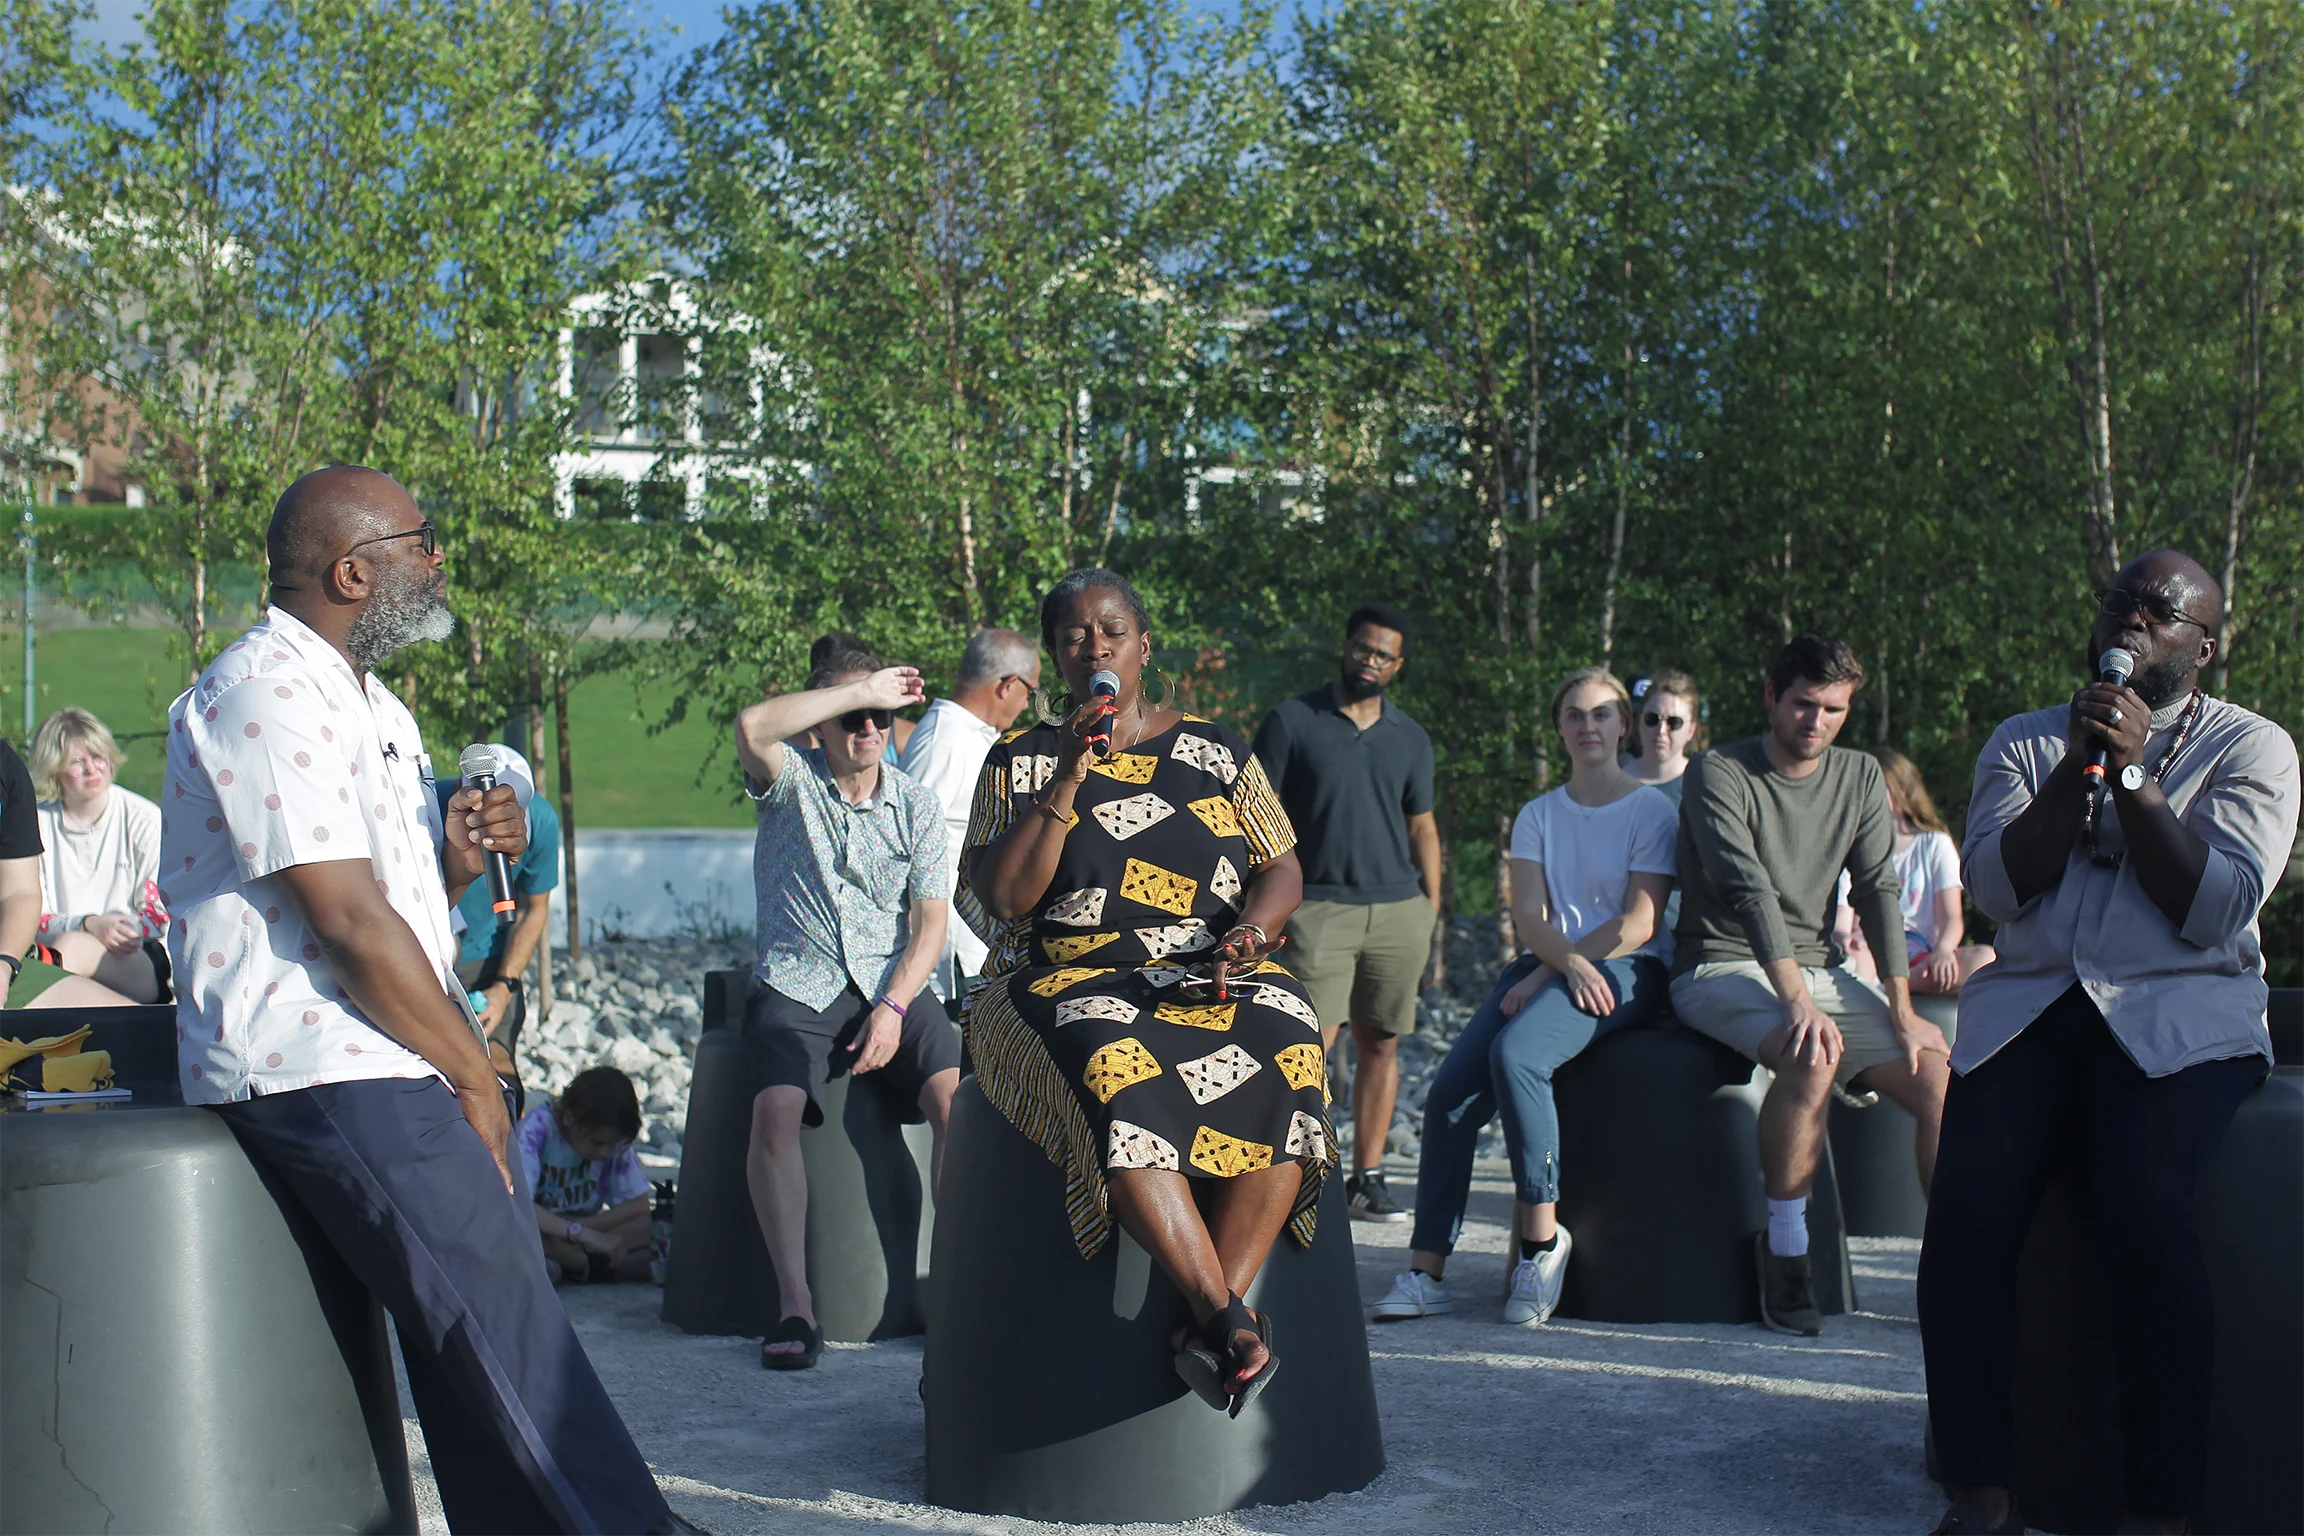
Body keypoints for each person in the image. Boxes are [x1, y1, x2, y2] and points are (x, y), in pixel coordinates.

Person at [160, 465, 708, 1536]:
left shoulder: (371, 703)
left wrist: (454, 865)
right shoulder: (261, 689)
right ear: (355, 570)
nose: (440, 555)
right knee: (500, 1316)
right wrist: (472, 1069)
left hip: (400, 1046)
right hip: (324, 1063)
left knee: (475, 1335)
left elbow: (397, 904)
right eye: (423, 538)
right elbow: (346, 923)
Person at [1920, 551, 2300, 1536]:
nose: (2130, 622)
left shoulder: (2255, 749)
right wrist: (2083, 767)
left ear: (2204, 644)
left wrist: (2134, 775)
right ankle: (1979, 1488)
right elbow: (2001, 893)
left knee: (2146, 1216)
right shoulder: (2026, 741)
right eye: (2119, 605)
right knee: (1964, 1216)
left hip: (2180, 1019)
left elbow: (2215, 909)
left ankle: (2160, 1507)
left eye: (2159, 613)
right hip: (2037, 1013)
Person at [962, 567, 1336, 1416]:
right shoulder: (1019, 762)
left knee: (1288, 1042)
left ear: (1143, 646)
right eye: (1073, 636)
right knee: (1118, 1071)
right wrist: (1067, 776)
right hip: (1069, 974)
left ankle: (1218, 1324)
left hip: (1210, 963)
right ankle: (1229, 1321)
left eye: (1112, 631)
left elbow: (1280, 865)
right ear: (1056, 656)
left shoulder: (1218, 750)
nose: (1094, 646)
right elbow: (1009, 900)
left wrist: (1249, 935)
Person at [1372, 667, 1677, 1327]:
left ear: (1624, 724)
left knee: (1517, 1056)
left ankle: (1541, 1244)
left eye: (1602, 714)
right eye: (1574, 715)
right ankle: (1428, 1272)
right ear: (1560, 727)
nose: (1588, 726)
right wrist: (1553, 965)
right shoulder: (1539, 814)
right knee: (1451, 1094)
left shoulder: (1652, 809)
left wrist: (1557, 970)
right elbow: (1533, 919)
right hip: (1552, 962)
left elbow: (1639, 922)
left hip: (1628, 969)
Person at [1668, 633, 1949, 1337]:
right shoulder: (1717, 772)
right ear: (1772, 697)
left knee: (1941, 1078)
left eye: (1833, 709)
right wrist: (1795, 1001)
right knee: (1810, 1051)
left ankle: (1954, 1266)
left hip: (1821, 969)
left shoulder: (1857, 777)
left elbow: (1881, 889)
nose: (1815, 722)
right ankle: (1786, 1251)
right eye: (1803, 704)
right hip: (1721, 962)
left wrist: (1902, 1008)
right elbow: (1747, 888)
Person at [732, 645, 961, 1371]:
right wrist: (855, 688)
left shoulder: (915, 804)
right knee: (773, 1114)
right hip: (799, 980)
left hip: (890, 981)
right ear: (821, 726)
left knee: (959, 1105)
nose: (868, 727)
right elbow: (751, 727)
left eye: (879, 715)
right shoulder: (790, 782)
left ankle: (954, 1290)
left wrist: (895, 1006)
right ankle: (796, 1305)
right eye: (851, 715)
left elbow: (931, 923)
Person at [1251, 603, 1441, 1222]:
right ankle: (1301, 1172)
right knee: (1308, 1044)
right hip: (1317, 908)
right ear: (1347, 646)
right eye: (1362, 648)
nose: (1370, 660)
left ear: (1398, 665)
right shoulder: (1292, 721)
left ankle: (1370, 1174)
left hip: (1396, 911)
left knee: (1381, 1045)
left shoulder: (1410, 737)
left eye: (1383, 654)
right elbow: (1254, 811)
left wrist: (1430, 910)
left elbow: (1423, 826)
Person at [898, 627, 1041, 1002]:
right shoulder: (944, 743)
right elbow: (906, 844)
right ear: (1008, 685)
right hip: (950, 949)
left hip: (971, 945)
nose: (1027, 704)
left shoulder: (967, 737)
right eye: (1031, 691)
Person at [435, 742, 559, 1095]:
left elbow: (534, 909)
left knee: (501, 1080)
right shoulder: (424, 805)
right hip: (430, 955)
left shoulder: (543, 821)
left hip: (489, 962)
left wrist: (504, 987)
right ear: (460, 792)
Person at [29, 706, 166, 1002]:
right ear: (55, 768)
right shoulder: (35, 823)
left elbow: (159, 915)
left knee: (71, 949)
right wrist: (89, 923)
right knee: (69, 946)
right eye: (77, 761)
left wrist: (113, 930)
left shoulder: (143, 818)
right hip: (57, 950)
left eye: (98, 757)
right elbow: (33, 918)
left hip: (138, 956)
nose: (91, 769)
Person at [1834, 747, 1996, 994]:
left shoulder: (1934, 844)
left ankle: (1894, 985)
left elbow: (1951, 918)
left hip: (1924, 959)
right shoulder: (1849, 850)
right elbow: (1841, 924)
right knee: (1853, 960)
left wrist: (1942, 950)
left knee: (1985, 959)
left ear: (1902, 794)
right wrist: (1843, 938)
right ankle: (1889, 986)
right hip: (1870, 954)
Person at [521, 1065, 658, 1284]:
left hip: (583, 1230)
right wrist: (579, 1234)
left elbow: (639, 1205)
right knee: (522, 1237)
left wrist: (590, 1231)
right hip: (544, 1228)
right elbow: (519, 1203)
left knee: (661, 1225)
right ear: (568, 1118)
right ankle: (583, 1264)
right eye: (597, 1143)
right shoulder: (537, 1131)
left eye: (611, 1146)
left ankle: (583, 1263)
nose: (605, 1153)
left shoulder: (611, 1140)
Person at [1623, 669, 1706, 806]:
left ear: (1691, 730)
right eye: (1652, 719)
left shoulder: (1703, 786)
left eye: (1674, 722)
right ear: (1639, 722)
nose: (1661, 730)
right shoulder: (1610, 785)